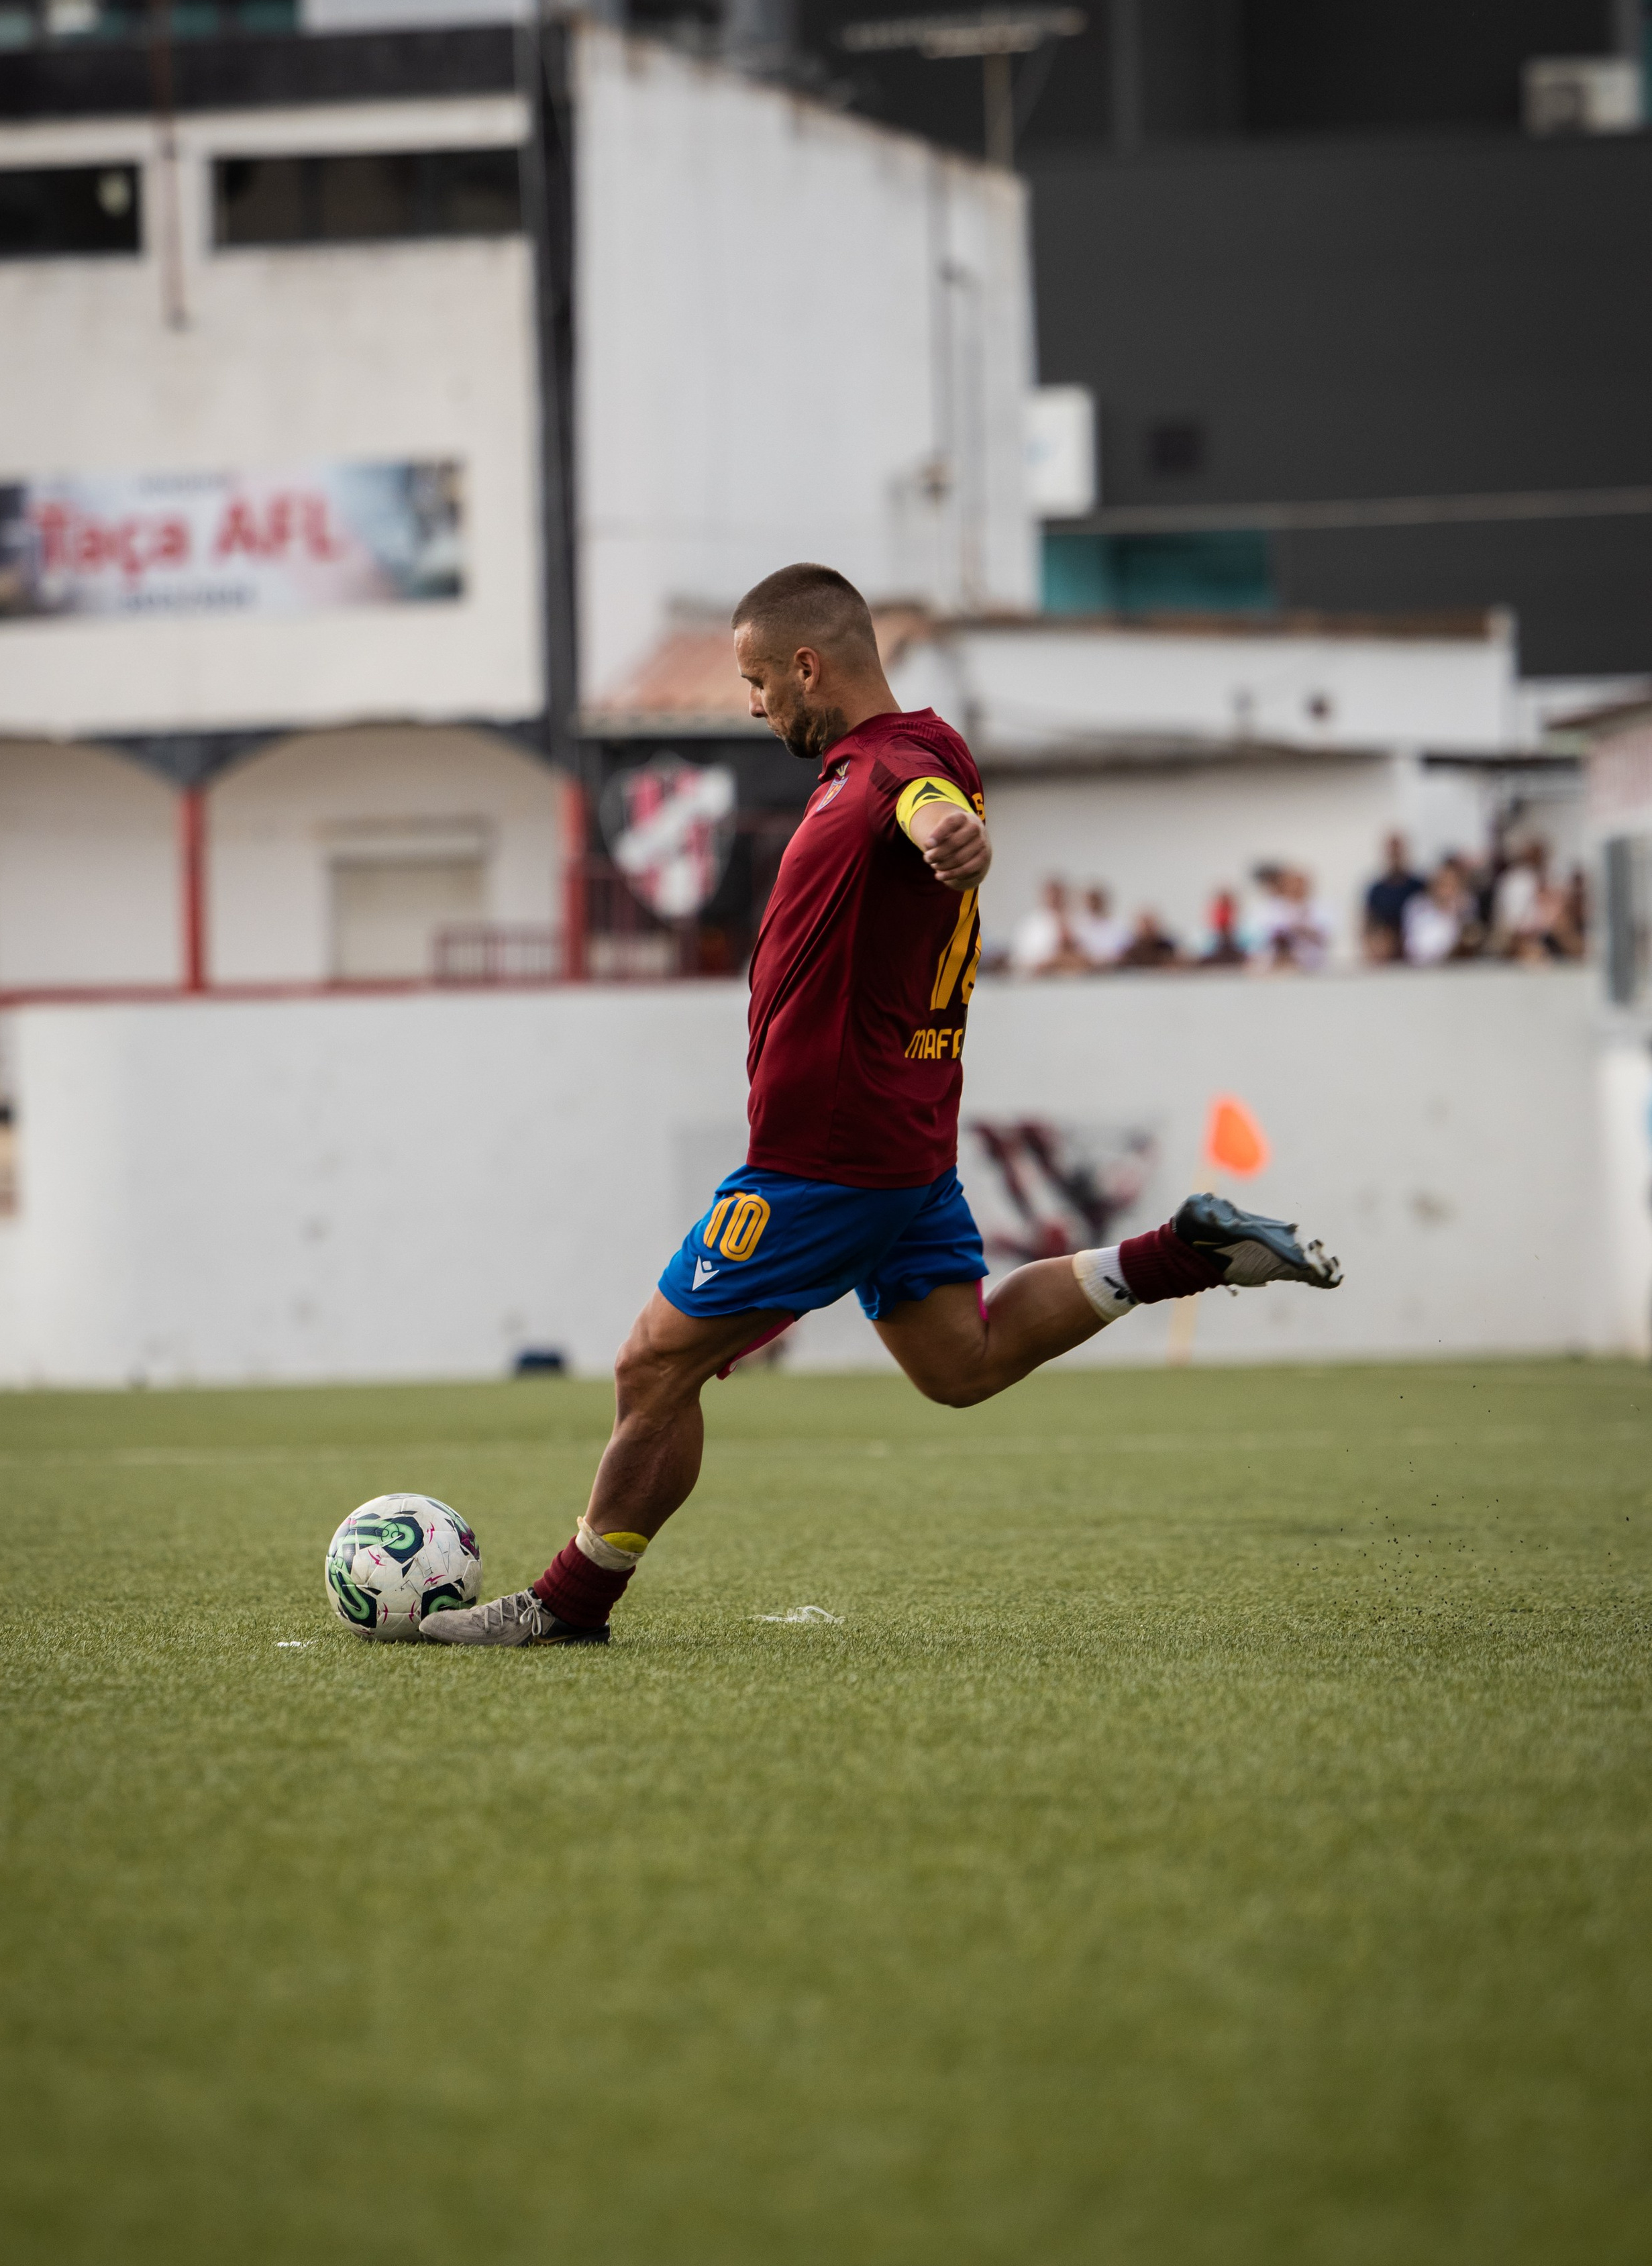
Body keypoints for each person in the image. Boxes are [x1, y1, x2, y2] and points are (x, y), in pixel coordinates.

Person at [423, 563, 1343, 1650]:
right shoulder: (918, 742)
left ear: (810, 665)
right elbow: (924, 788)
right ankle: (1180, 1252)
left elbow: (927, 810)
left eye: (760, 680)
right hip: (904, 1140)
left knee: (653, 1365)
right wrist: (945, 819)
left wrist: (954, 834)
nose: (754, 704)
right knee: (961, 1362)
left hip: (827, 1157)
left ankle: (571, 1604)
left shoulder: (892, 771)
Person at [1361, 834, 1426, 963]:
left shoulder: (1418, 886)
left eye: (1398, 853)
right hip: (1386, 952)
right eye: (1392, 853)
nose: (1396, 857)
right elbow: (1369, 922)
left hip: (1413, 951)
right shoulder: (1377, 890)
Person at [1010, 877, 1082, 976]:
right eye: (1052, 894)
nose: (1055, 898)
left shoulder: (1079, 921)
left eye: (1059, 894)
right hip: (1043, 980)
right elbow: (1022, 959)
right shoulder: (1031, 925)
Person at [1074, 884, 1131, 968]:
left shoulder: (1118, 926)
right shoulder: (1078, 927)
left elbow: (1124, 952)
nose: (1093, 904)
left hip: (1113, 970)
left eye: (1096, 900)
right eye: (1091, 900)